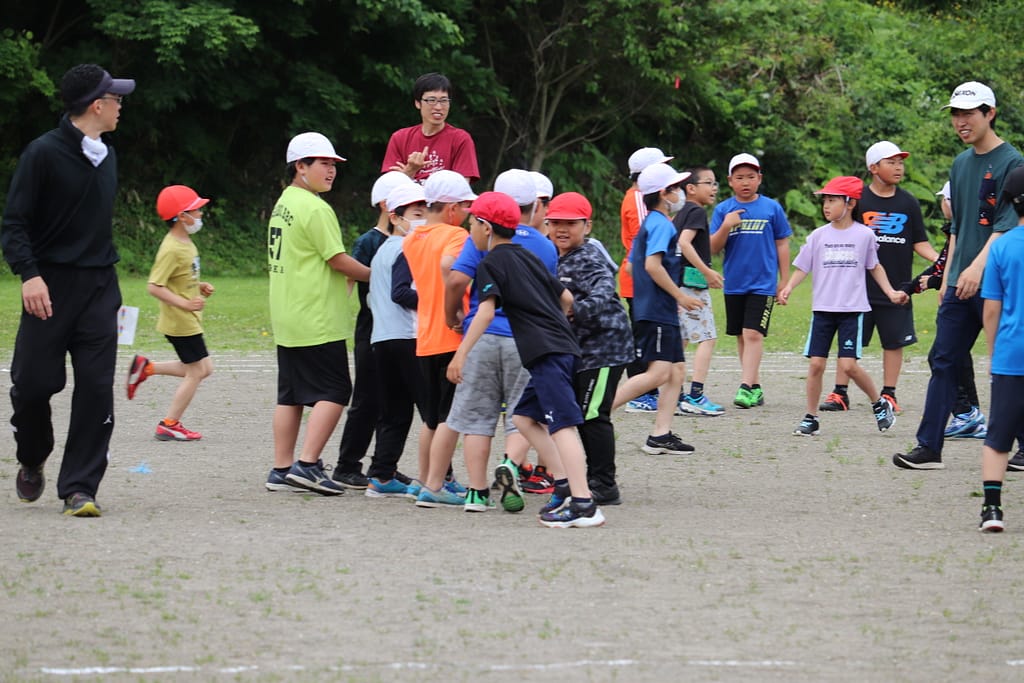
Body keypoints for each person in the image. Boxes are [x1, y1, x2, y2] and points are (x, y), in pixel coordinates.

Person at [2, 64, 135, 517]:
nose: (120, 106)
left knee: (96, 389)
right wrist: (29, 274)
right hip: (49, 288)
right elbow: (15, 224)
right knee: (32, 386)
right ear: (97, 105)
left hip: (100, 287)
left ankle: (79, 488)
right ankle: (32, 455)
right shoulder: (42, 153)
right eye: (116, 99)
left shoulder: (108, 154)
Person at [447, 191, 605, 528]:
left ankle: (584, 504)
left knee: (562, 426)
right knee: (523, 418)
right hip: (558, 347)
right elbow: (566, 298)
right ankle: (563, 485)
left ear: (486, 227)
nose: (471, 230)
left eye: (472, 223)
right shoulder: (530, 255)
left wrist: (461, 353)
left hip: (547, 352)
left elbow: (485, 312)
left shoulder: (490, 263)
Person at [893, 80, 1024, 470]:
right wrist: (949, 275)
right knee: (944, 359)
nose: (961, 122)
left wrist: (977, 267)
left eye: (969, 113)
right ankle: (929, 447)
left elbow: (1006, 225)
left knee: (1008, 364)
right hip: (960, 283)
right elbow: (956, 228)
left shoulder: (1013, 162)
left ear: (990, 113)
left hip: (997, 280)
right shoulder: (960, 164)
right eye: (955, 114)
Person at [442, 169, 557, 512]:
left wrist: (452, 316)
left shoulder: (483, 237)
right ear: (535, 205)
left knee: (477, 417)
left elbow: (456, 280)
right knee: (522, 413)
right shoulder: (544, 245)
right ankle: (510, 464)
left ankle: (477, 493)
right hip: (525, 338)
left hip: (481, 336)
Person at [264, 132, 370, 495]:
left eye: (333, 165)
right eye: (323, 164)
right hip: (316, 315)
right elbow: (338, 260)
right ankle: (307, 465)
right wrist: (379, 275)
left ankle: (281, 469)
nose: (331, 171)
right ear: (300, 166)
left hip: (288, 312)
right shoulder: (315, 208)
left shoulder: (285, 202)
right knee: (337, 389)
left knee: (291, 395)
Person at [777, 176, 906, 436]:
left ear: (850, 203)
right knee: (816, 365)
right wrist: (789, 287)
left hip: (851, 311)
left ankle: (878, 403)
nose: (826, 205)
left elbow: (874, 266)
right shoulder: (818, 236)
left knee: (848, 367)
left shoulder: (865, 235)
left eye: (832, 200)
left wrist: (890, 292)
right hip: (823, 310)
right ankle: (811, 417)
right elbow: (803, 267)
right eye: (825, 200)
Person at [820, 142, 938, 414]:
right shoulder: (857, 199)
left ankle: (889, 393)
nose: (898, 167)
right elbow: (839, 230)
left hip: (896, 287)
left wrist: (940, 261)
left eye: (900, 162)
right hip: (856, 287)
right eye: (891, 162)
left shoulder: (908, 202)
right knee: (850, 341)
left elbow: (919, 242)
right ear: (873, 168)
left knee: (893, 342)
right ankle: (840, 393)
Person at [549, 192, 634, 505]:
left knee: (593, 415)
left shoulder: (588, 257)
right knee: (581, 415)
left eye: (571, 223)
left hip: (605, 348)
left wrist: (574, 309)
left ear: (587, 226)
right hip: (580, 350)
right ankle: (583, 477)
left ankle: (604, 485)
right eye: (556, 222)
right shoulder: (553, 255)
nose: (562, 229)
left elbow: (603, 291)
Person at [611, 163, 703, 455]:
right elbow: (652, 265)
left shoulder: (650, 223)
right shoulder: (661, 224)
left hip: (656, 309)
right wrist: (679, 296)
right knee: (659, 373)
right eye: (676, 188)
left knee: (676, 371)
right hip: (657, 311)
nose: (680, 193)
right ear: (664, 194)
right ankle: (594, 412)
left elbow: (631, 266)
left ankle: (660, 435)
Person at [332, 171, 414, 489]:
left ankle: (384, 466)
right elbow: (349, 280)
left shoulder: (409, 241)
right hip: (372, 329)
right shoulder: (369, 242)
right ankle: (347, 465)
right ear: (386, 206)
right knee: (367, 399)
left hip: (399, 330)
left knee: (393, 400)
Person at [403, 170, 477, 507]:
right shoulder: (457, 235)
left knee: (431, 418)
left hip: (425, 336)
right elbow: (449, 267)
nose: (468, 212)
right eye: (465, 206)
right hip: (451, 336)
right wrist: (457, 310)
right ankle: (435, 486)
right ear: (451, 208)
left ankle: (425, 479)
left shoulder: (413, 238)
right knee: (451, 416)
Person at [126, 185, 215, 442]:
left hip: (188, 319)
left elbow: (181, 277)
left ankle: (147, 368)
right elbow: (154, 286)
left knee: (204, 368)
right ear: (181, 216)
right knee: (196, 372)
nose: (200, 215)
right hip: (180, 321)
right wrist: (185, 304)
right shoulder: (171, 248)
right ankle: (169, 424)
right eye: (196, 210)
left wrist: (199, 286)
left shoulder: (185, 243)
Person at [709, 153, 792, 409]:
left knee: (753, 333)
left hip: (763, 283)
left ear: (759, 179)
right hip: (734, 282)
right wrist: (726, 226)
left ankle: (745, 387)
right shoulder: (723, 210)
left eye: (750, 177)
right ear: (730, 181)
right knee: (742, 336)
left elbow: (782, 243)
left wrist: (784, 280)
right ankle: (754, 387)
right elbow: (712, 248)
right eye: (739, 177)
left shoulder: (771, 208)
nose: (745, 182)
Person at [363, 182, 429, 498]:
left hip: (382, 338)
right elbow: (401, 293)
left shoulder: (381, 251)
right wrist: (435, 299)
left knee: (395, 411)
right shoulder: (407, 246)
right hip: (407, 338)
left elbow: (372, 298)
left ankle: (382, 474)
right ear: (395, 217)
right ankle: (440, 478)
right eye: (416, 213)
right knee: (433, 411)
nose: (423, 218)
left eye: (427, 211)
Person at [976, 166, 1024, 531]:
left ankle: (992, 509)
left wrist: (994, 352)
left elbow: (991, 309)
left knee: (998, 436)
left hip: (1011, 354)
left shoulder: (1002, 246)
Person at [621, 147, 673, 413]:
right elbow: (645, 242)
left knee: (646, 336)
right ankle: (640, 394)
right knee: (643, 338)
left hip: (642, 280)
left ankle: (647, 390)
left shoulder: (637, 197)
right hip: (642, 281)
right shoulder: (639, 200)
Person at [674, 166, 726, 416]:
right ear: (691, 188)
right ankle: (695, 395)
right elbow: (684, 243)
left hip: (678, 283)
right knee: (707, 338)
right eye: (708, 182)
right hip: (692, 285)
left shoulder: (680, 212)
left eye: (715, 183)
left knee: (681, 340)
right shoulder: (695, 211)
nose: (713, 188)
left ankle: (675, 395)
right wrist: (706, 272)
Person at [381, 73, 479, 183]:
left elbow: (461, 187)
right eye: (431, 100)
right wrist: (410, 172)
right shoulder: (400, 138)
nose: (438, 107)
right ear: (418, 103)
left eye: (444, 100)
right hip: (407, 195)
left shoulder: (460, 139)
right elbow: (389, 187)